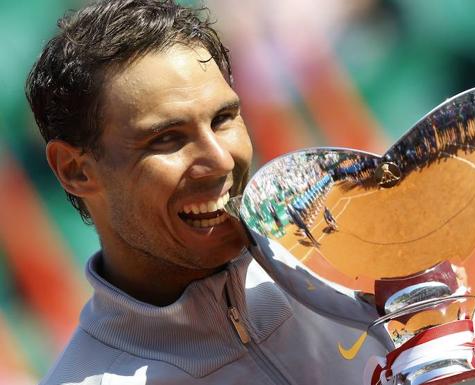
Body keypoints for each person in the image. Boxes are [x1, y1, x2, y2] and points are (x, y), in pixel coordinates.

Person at [26, 1, 386, 384]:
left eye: (223, 119)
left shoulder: (353, 257)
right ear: (75, 170)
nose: (220, 161)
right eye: (166, 138)